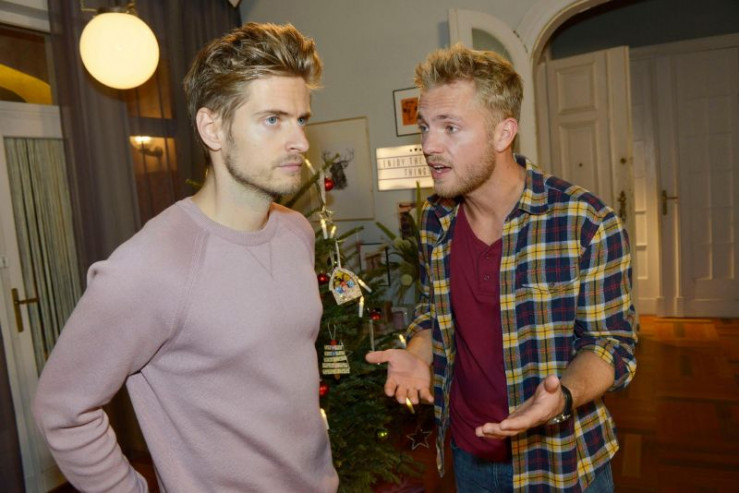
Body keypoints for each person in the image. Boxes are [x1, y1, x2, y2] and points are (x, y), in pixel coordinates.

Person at [33, 22, 338, 492]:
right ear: (212, 128)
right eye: (273, 120)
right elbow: (62, 409)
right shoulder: (149, 267)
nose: (299, 140)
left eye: (301, 119)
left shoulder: (295, 231)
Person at [366, 44, 637, 492]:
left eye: (450, 127)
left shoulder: (585, 222)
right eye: (425, 127)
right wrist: (417, 352)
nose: (429, 146)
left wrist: (561, 398)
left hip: (561, 459)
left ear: (503, 133)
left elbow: (610, 345)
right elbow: (434, 314)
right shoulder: (435, 219)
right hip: (468, 453)